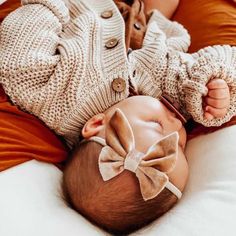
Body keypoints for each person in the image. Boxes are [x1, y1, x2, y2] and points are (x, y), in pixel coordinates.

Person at [0, 0, 234, 234]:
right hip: (148, 17)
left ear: (97, 124)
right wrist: (215, 86)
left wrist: (49, 5)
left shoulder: (54, 99)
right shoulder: (173, 93)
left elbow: (21, 61)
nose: (177, 124)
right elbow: (221, 57)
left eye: (156, 125)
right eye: (181, 146)